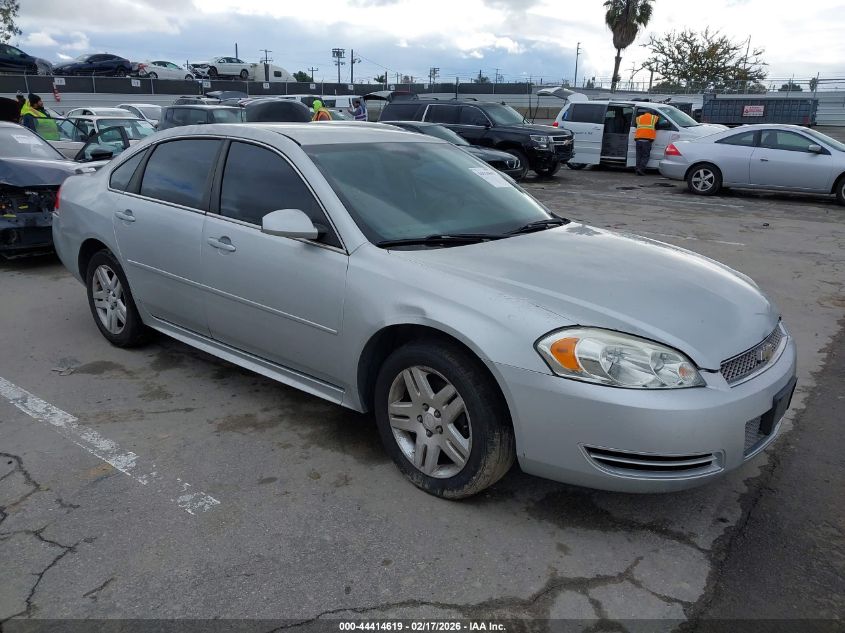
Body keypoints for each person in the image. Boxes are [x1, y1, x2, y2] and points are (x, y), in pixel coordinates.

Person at [633, 110, 659, 176]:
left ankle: (637, 169)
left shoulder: (639, 118)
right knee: (645, 156)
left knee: (638, 155)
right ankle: (641, 170)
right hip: (647, 140)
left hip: (638, 139)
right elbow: (659, 123)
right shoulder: (653, 118)